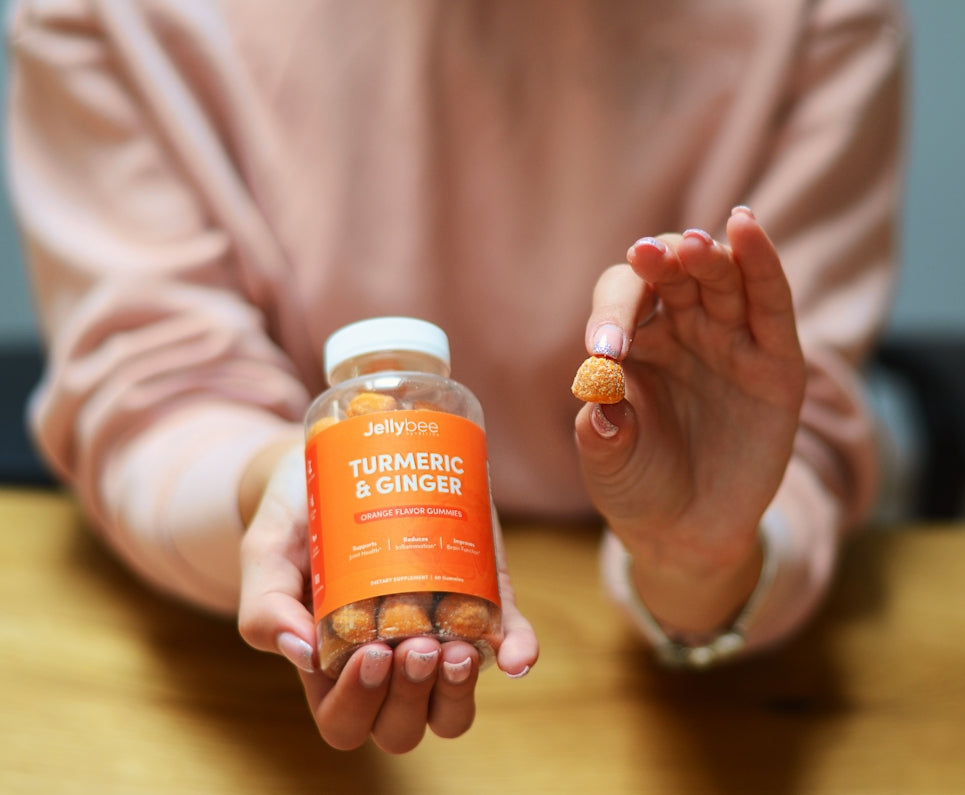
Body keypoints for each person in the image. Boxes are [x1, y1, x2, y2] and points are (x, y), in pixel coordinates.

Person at [6, 0, 908, 754]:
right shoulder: (103, 15)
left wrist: (698, 555)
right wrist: (285, 487)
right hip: (213, 696)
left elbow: (795, 425)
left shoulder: (819, 18)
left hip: (640, 703)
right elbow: (155, 389)